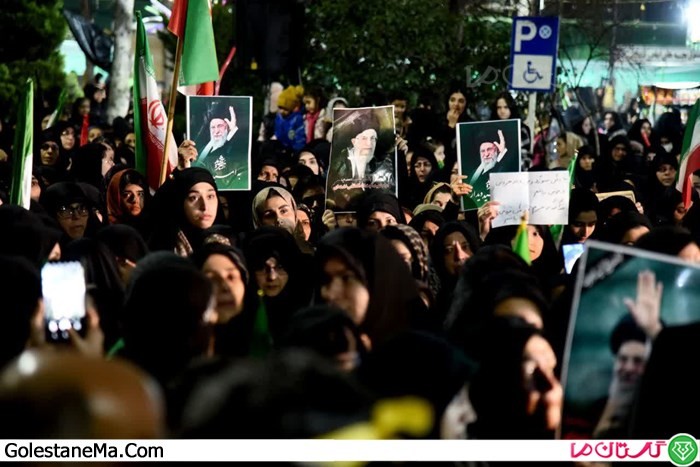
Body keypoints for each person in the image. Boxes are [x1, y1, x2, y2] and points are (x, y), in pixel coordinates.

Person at [191, 103, 249, 190]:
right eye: (213, 127)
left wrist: (233, 131)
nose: (216, 131)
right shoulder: (203, 149)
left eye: (220, 126)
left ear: (227, 128)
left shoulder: (233, 147)